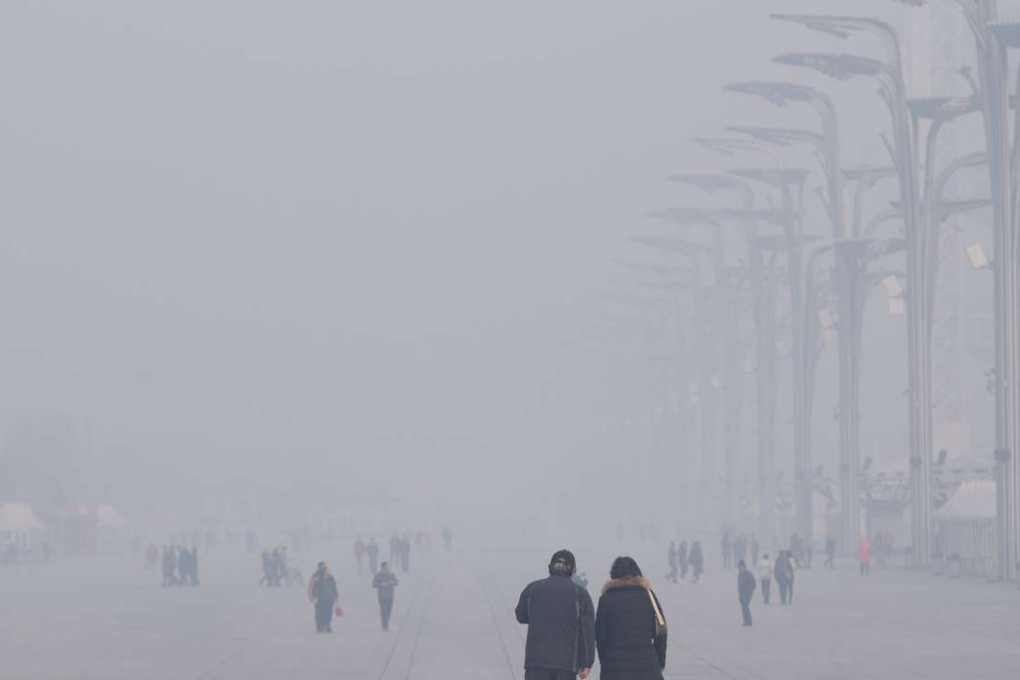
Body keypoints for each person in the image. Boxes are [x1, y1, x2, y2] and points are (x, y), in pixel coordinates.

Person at [515, 549, 596, 680]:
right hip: (566, 666)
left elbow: (521, 615)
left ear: (550, 567)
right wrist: (586, 662)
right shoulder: (581, 595)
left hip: (536, 663)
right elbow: (587, 631)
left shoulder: (532, 589)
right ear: (573, 571)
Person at [595, 556, 667, 680]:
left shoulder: (606, 599)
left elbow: (600, 637)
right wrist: (659, 662)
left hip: (615, 669)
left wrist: (606, 663)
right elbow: (661, 632)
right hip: (647, 668)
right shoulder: (649, 596)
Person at [309, 562, 340, 633]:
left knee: (328, 613)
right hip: (320, 600)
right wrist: (313, 597)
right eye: (325, 569)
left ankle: (327, 625)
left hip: (329, 599)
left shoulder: (330, 577)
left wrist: (336, 597)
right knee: (319, 613)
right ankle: (320, 627)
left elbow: (334, 587)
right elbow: (313, 588)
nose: (327, 571)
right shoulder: (316, 578)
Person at [372, 562, 399, 631]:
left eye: (388, 567)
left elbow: (396, 582)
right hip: (382, 596)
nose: (388, 568)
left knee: (389, 611)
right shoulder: (377, 575)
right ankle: (385, 626)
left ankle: (386, 623)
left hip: (390, 595)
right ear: (382, 567)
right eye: (386, 567)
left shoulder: (391, 574)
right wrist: (381, 584)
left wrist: (392, 582)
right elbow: (374, 584)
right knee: (384, 611)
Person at [737, 560, 756, 627]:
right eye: (739, 568)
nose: (740, 569)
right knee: (743, 608)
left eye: (741, 567)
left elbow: (754, 583)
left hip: (747, 593)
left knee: (745, 607)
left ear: (744, 567)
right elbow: (739, 585)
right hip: (742, 594)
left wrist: (750, 590)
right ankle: (746, 621)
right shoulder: (739, 575)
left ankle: (749, 621)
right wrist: (739, 594)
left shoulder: (749, 574)